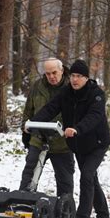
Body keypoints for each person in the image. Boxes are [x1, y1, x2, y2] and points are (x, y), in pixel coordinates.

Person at [29, 59, 110, 218]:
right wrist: (33, 123)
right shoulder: (66, 92)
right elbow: (50, 109)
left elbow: (94, 116)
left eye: (79, 76)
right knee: (91, 179)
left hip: (97, 143)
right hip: (79, 144)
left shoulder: (96, 94)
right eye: (73, 75)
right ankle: (103, 214)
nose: (74, 79)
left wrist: (77, 128)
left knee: (87, 176)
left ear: (86, 78)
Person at [19, 58, 75, 197]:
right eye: (48, 73)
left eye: (54, 72)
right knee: (29, 173)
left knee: (64, 179)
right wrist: (25, 125)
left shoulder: (71, 87)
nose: (51, 76)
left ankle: (64, 211)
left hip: (62, 141)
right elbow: (28, 110)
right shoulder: (38, 86)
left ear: (61, 71)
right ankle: (23, 201)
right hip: (38, 137)